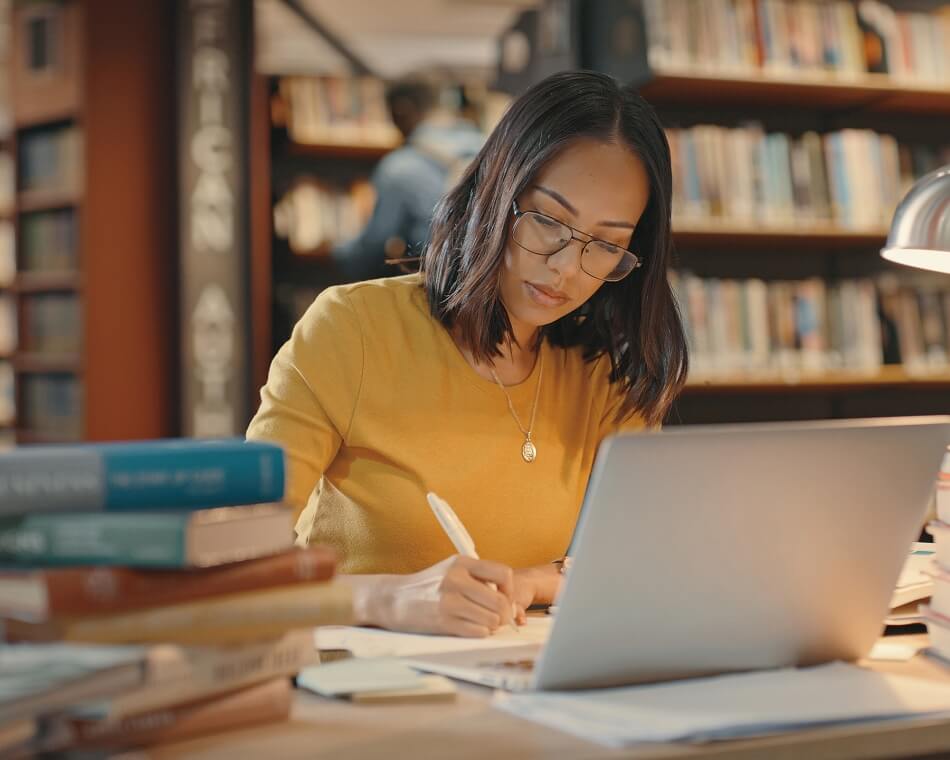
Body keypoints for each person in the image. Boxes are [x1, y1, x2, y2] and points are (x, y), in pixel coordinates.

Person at [247, 70, 688, 637]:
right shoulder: (353, 328)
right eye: (549, 221)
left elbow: (634, 561)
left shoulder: (608, 373)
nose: (566, 267)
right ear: (494, 191)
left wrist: (530, 583)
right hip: (360, 681)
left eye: (606, 245)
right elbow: (237, 561)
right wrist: (385, 598)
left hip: (516, 682)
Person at [330, 78, 484, 281]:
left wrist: (339, 253)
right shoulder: (490, 145)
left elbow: (372, 248)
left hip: (439, 287)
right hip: (488, 283)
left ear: (402, 110)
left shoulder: (399, 167)